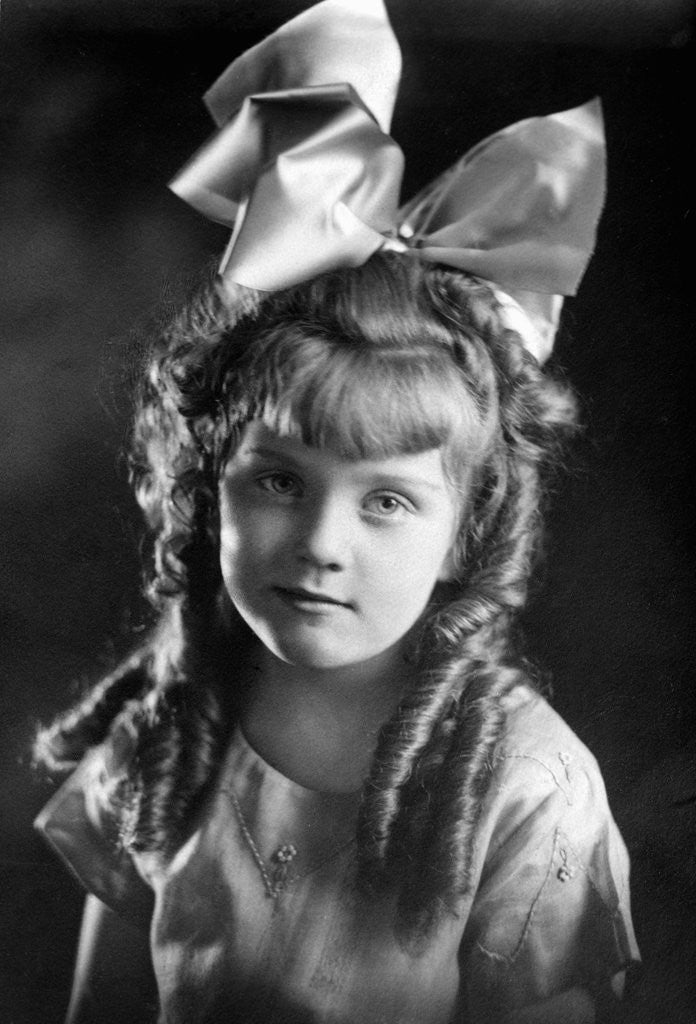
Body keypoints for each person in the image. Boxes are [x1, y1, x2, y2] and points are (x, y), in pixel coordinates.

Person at [32, 2, 640, 1021]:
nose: (320, 544)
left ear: (468, 529)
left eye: (388, 500)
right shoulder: (171, 736)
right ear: (207, 486)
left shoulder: (525, 787)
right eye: (278, 481)